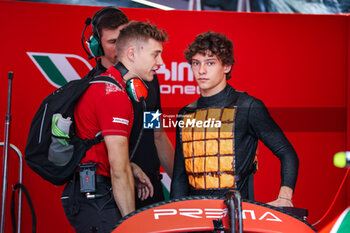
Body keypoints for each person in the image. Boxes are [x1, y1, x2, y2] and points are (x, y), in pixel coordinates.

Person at [61, 21, 168, 233]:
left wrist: (132, 167)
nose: (161, 63)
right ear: (131, 53)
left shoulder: (120, 87)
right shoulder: (114, 96)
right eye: (155, 54)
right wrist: (132, 225)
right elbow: (118, 171)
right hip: (97, 198)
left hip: (99, 194)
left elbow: (157, 136)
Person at [170, 31, 299, 208]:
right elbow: (179, 176)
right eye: (196, 63)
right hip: (195, 214)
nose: (201, 71)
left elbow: (287, 153)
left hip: (236, 214)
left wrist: (285, 197)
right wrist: (175, 214)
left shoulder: (248, 107)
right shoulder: (186, 113)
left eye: (210, 63)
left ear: (227, 66)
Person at [82, 6, 174, 209]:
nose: (120, 48)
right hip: (109, 193)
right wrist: (128, 167)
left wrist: (181, 185)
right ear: (96, 46)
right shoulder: (95, 87)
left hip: (149, 187)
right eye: (113, 42)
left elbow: (157, 134)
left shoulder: (149, 81)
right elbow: (89, 150)